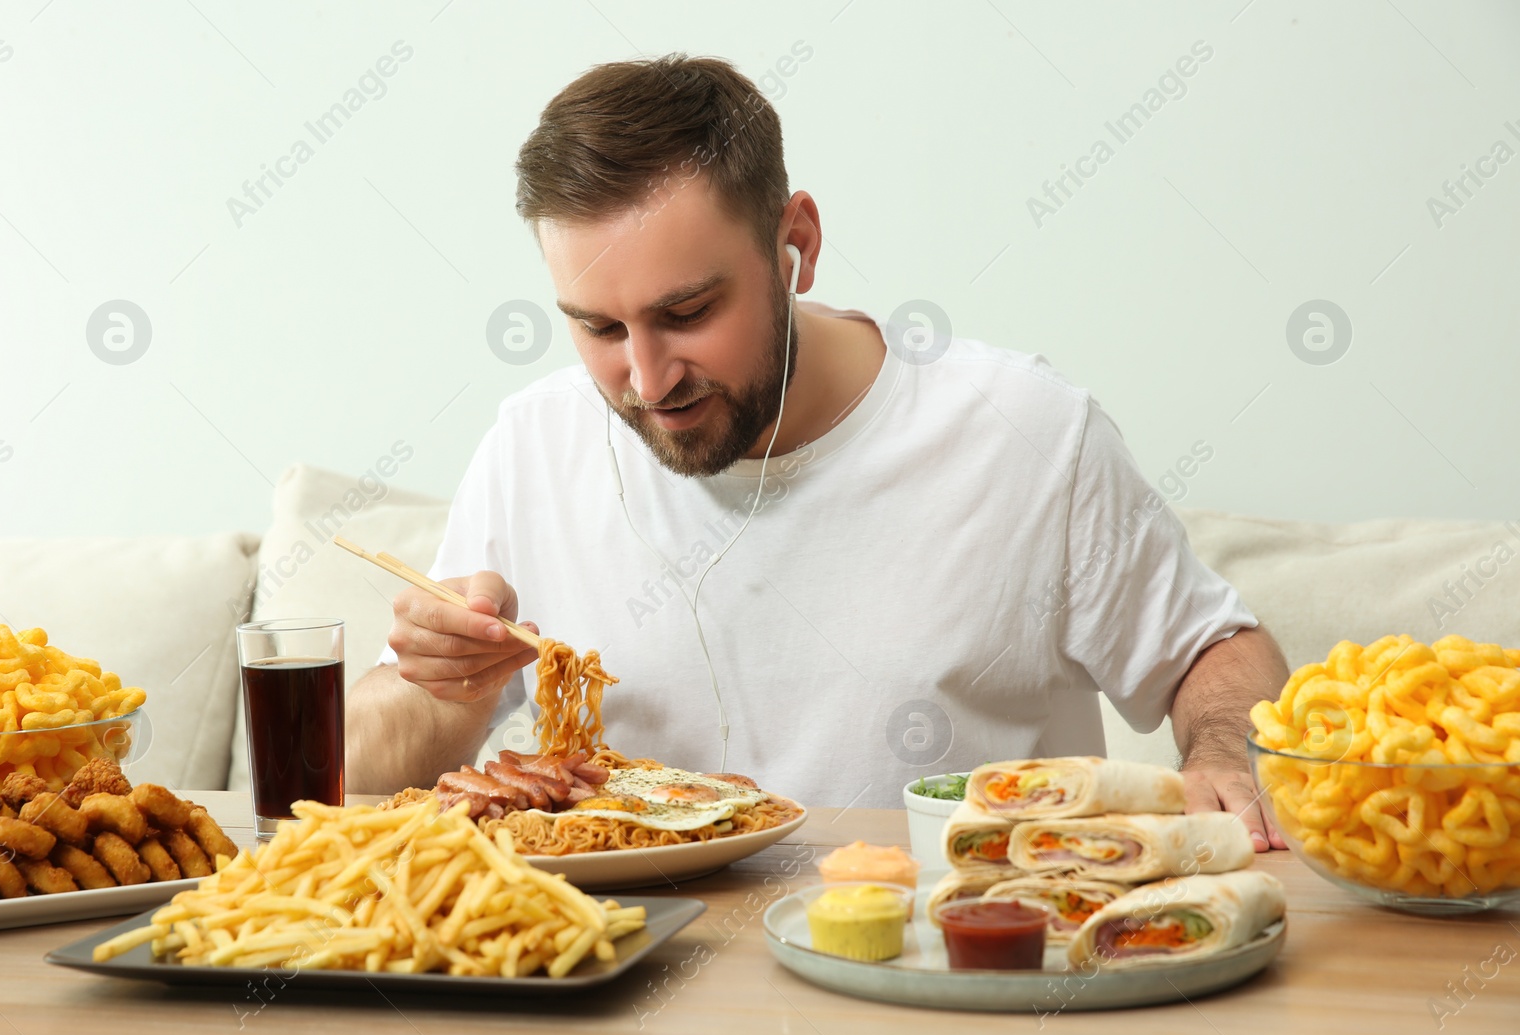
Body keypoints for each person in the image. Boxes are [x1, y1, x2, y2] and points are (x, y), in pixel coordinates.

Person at [346, 54, 1290, 849]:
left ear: (796, 244)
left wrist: (1218, 752)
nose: (646, 377)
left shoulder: (1026, 431)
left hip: (944, 960)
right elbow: (357, 771)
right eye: (598, 327)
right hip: (627, 976)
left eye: (687, 313)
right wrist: (453, 689)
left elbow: (1213, 650)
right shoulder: (533, 443)